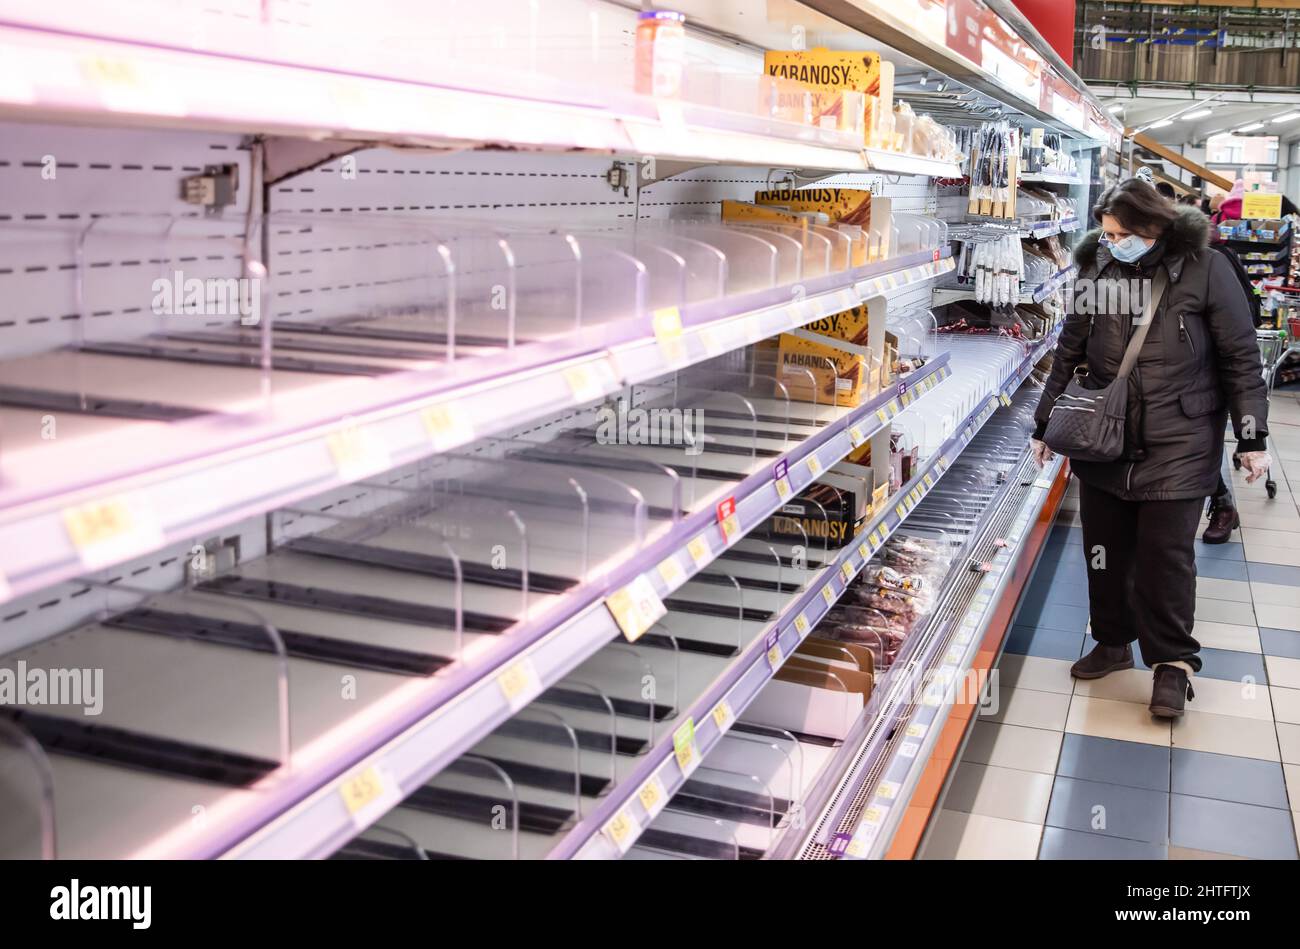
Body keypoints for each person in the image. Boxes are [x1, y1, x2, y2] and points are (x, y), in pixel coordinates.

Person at [1031, 179, 1271, 718]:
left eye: (1121, 234)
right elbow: (1069, 345)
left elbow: (1240, 357)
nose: (1111, 242)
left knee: (1167, 558)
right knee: (1103, 551)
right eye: (1106, 234)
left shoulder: (1208, 268)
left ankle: (1172, 665)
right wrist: (1044, 422)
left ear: (1152, 226)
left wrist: (1251, 435)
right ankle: (1113, 641)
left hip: (1181, 439)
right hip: (1104, 437)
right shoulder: (1100, 267)